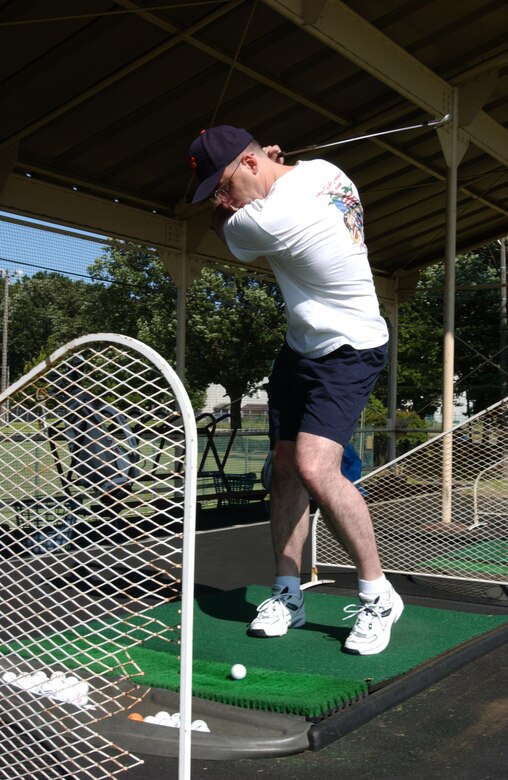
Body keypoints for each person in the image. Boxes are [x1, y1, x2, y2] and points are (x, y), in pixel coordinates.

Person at [187, 125, 403, 655]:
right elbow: (261, 190)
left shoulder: (270, 218)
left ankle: (379, 595)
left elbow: (221, 226)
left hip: (350, 348)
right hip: (302, 348)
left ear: (252, 164)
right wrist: (262, 173)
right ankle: (287, 592)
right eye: (218, 192)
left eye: (225, 185)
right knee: (283, 467)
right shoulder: (328, 171)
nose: (223, 199)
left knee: (314, 467)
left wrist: (231, 205)